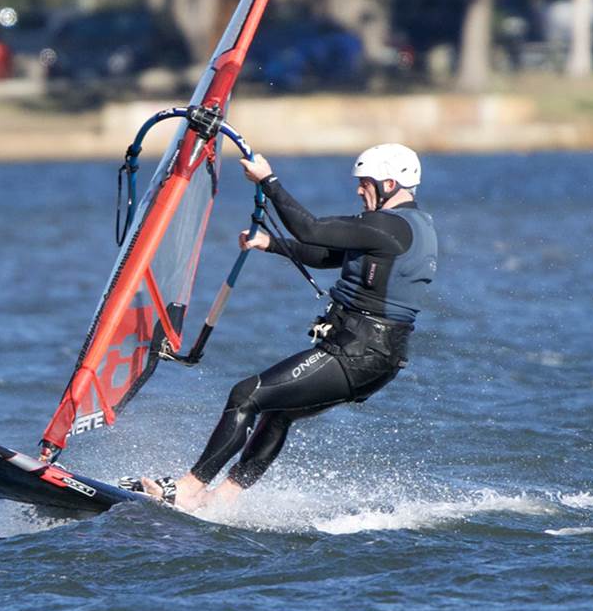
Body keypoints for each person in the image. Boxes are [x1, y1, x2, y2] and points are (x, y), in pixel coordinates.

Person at [132, 143, 438, 511]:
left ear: (390, 182)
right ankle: (219, 501)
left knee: (246, 395)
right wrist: (269, 243)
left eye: (365, 183)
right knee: (278, 412)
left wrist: (269, 181)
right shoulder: (410, 227)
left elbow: (311, 229)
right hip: (376, 357)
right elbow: (328, 255)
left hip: (357, 353)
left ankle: (189, 488)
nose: (359, 190)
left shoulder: (388, 225)